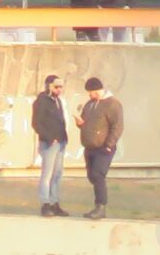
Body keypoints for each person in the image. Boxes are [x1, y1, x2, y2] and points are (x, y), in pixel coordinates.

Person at [77, 78, 124, 220]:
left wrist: (109, 145)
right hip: (89, 147)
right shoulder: (90, 104)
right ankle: (98, 206)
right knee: (92, 176)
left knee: (98, 175)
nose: (89, 95)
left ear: (96, 90)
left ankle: (100, 207)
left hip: (104, 147)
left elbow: (117, 126)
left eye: (90, 92)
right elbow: (85, 121)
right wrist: (80, 124)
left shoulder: (112, 104)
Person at [33, 73, 69, 216]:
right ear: (49, 86)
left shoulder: (57, 101)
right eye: (56, 87)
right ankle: (45, 203)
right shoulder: (41, 101)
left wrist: (63, 138)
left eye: (61, 87)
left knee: (57, 174)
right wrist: (49, 137)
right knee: (47, 174)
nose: (59, 90)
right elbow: (36, 123)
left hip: (61, 142)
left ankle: (54, 203)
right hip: (49, 143)